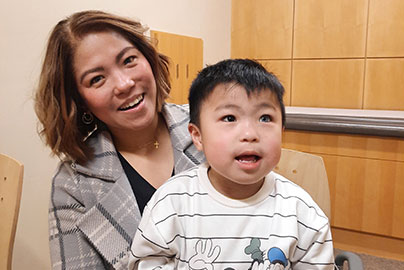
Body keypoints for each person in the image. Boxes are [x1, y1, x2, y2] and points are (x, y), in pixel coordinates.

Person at [34, 10, 205, 270]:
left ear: (148, 59)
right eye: (97, 79)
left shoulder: (212, 126)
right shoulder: (73, 186)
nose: (124, 84)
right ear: (80, 102)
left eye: (128, 60)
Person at [128, 59, 335, 270]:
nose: (250, 134)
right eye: (229, 118)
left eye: (265, 118)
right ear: (198, 136)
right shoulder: (172, 201)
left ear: (282, 130)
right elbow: (145, 262)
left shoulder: (302, 212)